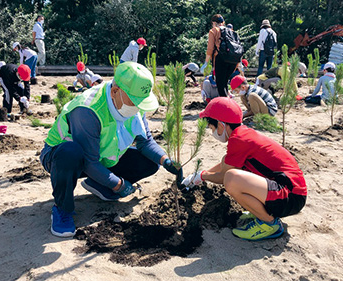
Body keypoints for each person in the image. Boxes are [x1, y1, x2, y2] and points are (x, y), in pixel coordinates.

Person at [40, 62, 183, 238]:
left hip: (100, 157)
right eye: (135, 102)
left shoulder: (132, 105)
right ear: (115, 91)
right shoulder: (88, 109)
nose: (138, 107)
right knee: (71, 152)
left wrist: (166, 160)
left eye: (141, 102)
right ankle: (62, 209)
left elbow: (145, 143)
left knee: (150, 163)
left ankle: (100, 185)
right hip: (62, 158)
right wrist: (120, 184)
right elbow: (89, 161)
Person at [182, 97, 307, 241]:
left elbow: (224, 176)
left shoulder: (238, 140)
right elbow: (225, 164)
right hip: (289, 192)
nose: (213, 132)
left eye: (212, 128)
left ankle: (269, 223)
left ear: (221, 126)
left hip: (290, 196)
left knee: (231, 179)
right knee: (228, 164)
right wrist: (200, 174)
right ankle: (260, 212)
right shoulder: (242, 134)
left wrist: (202, 176)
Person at [201, 14, 240, 97]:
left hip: (221, 59)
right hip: (233, 60)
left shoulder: (214, 31)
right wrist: (238, 64)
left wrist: (206, 62)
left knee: (220, 84)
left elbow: (210, 49)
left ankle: (225, 105)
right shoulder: (232, 32)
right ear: (223, 22)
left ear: (214, 23)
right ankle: (228, 102)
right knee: (225, 82)